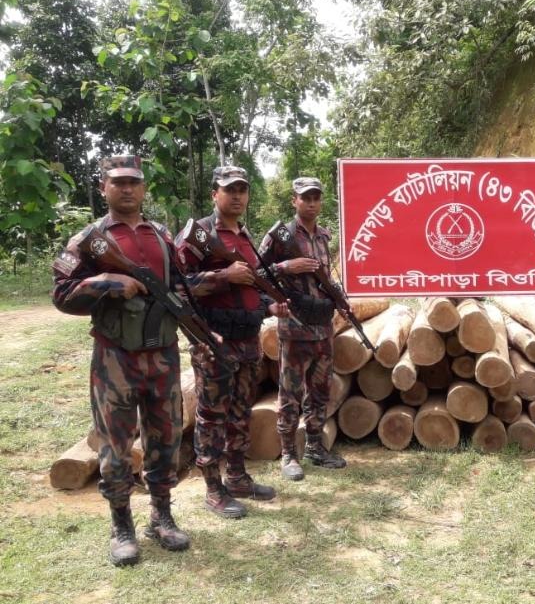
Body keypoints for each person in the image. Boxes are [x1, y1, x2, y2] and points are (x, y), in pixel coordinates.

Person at [53, 155, 192, 566]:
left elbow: (181, 286)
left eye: (134, 182)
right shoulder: (89, 240)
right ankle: (121, 525)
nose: (127, 188)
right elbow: (61, 294)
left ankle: (161, 515)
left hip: (163, 356)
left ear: (144, 188)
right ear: (103, 188)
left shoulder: (163, 236)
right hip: (115, 357)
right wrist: (105, 282)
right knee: (115, 446)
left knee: (166, 438)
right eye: (118, 182)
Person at [175, 166, 286, 518]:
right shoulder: (198, 236)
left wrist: (271, 305)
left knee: (240, 414)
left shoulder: (244, 235)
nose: (237, 195)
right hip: (215, 340)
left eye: (242, 189)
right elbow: (178, 286)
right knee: (211, 416)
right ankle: (213, 489)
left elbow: (248, 288)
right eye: (229, 189)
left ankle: (237, 477)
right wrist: (223, 275)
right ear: (214, 194)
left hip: (248, 338)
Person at [258, 176, 346, 481]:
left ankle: (315, 448)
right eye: (304, 198)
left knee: (320, 391)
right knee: (290, 393)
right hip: (294, 328)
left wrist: (340, 299)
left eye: (315, 198)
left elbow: (326, 276)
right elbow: (257, 272)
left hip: (323, 327)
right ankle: (288, 454)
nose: (310, 203)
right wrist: (286, 267)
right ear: (294, 201)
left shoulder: (323, 236)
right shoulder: (280, 235)